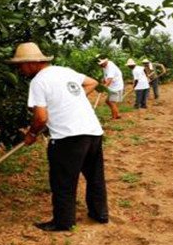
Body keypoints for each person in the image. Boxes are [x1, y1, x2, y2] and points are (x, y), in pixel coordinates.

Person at [8, 42, 109, 232]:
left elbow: (40, 118)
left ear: (31, 63)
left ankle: (63, 222)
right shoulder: (65, 71)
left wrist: (31, 134)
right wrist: (70, 100)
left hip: (67, 137)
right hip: (93, 132)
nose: (20, 70)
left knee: (62, 181)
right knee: (95, 177)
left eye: (20, 65)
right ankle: (100, 214)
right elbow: (92, 82)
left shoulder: (38, 81)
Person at [97, 55, 124, 120]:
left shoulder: (111, 67)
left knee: (111, 102)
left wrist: (102, 88)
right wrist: (104, 80)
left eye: (101, 64)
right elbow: (106, 76)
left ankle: (114, 117)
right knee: (108, 101)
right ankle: (117, 114)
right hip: (112, 86)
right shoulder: (104, 66)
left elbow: (109, 80)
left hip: (116, 87)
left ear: (105, 62)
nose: (100, 65)